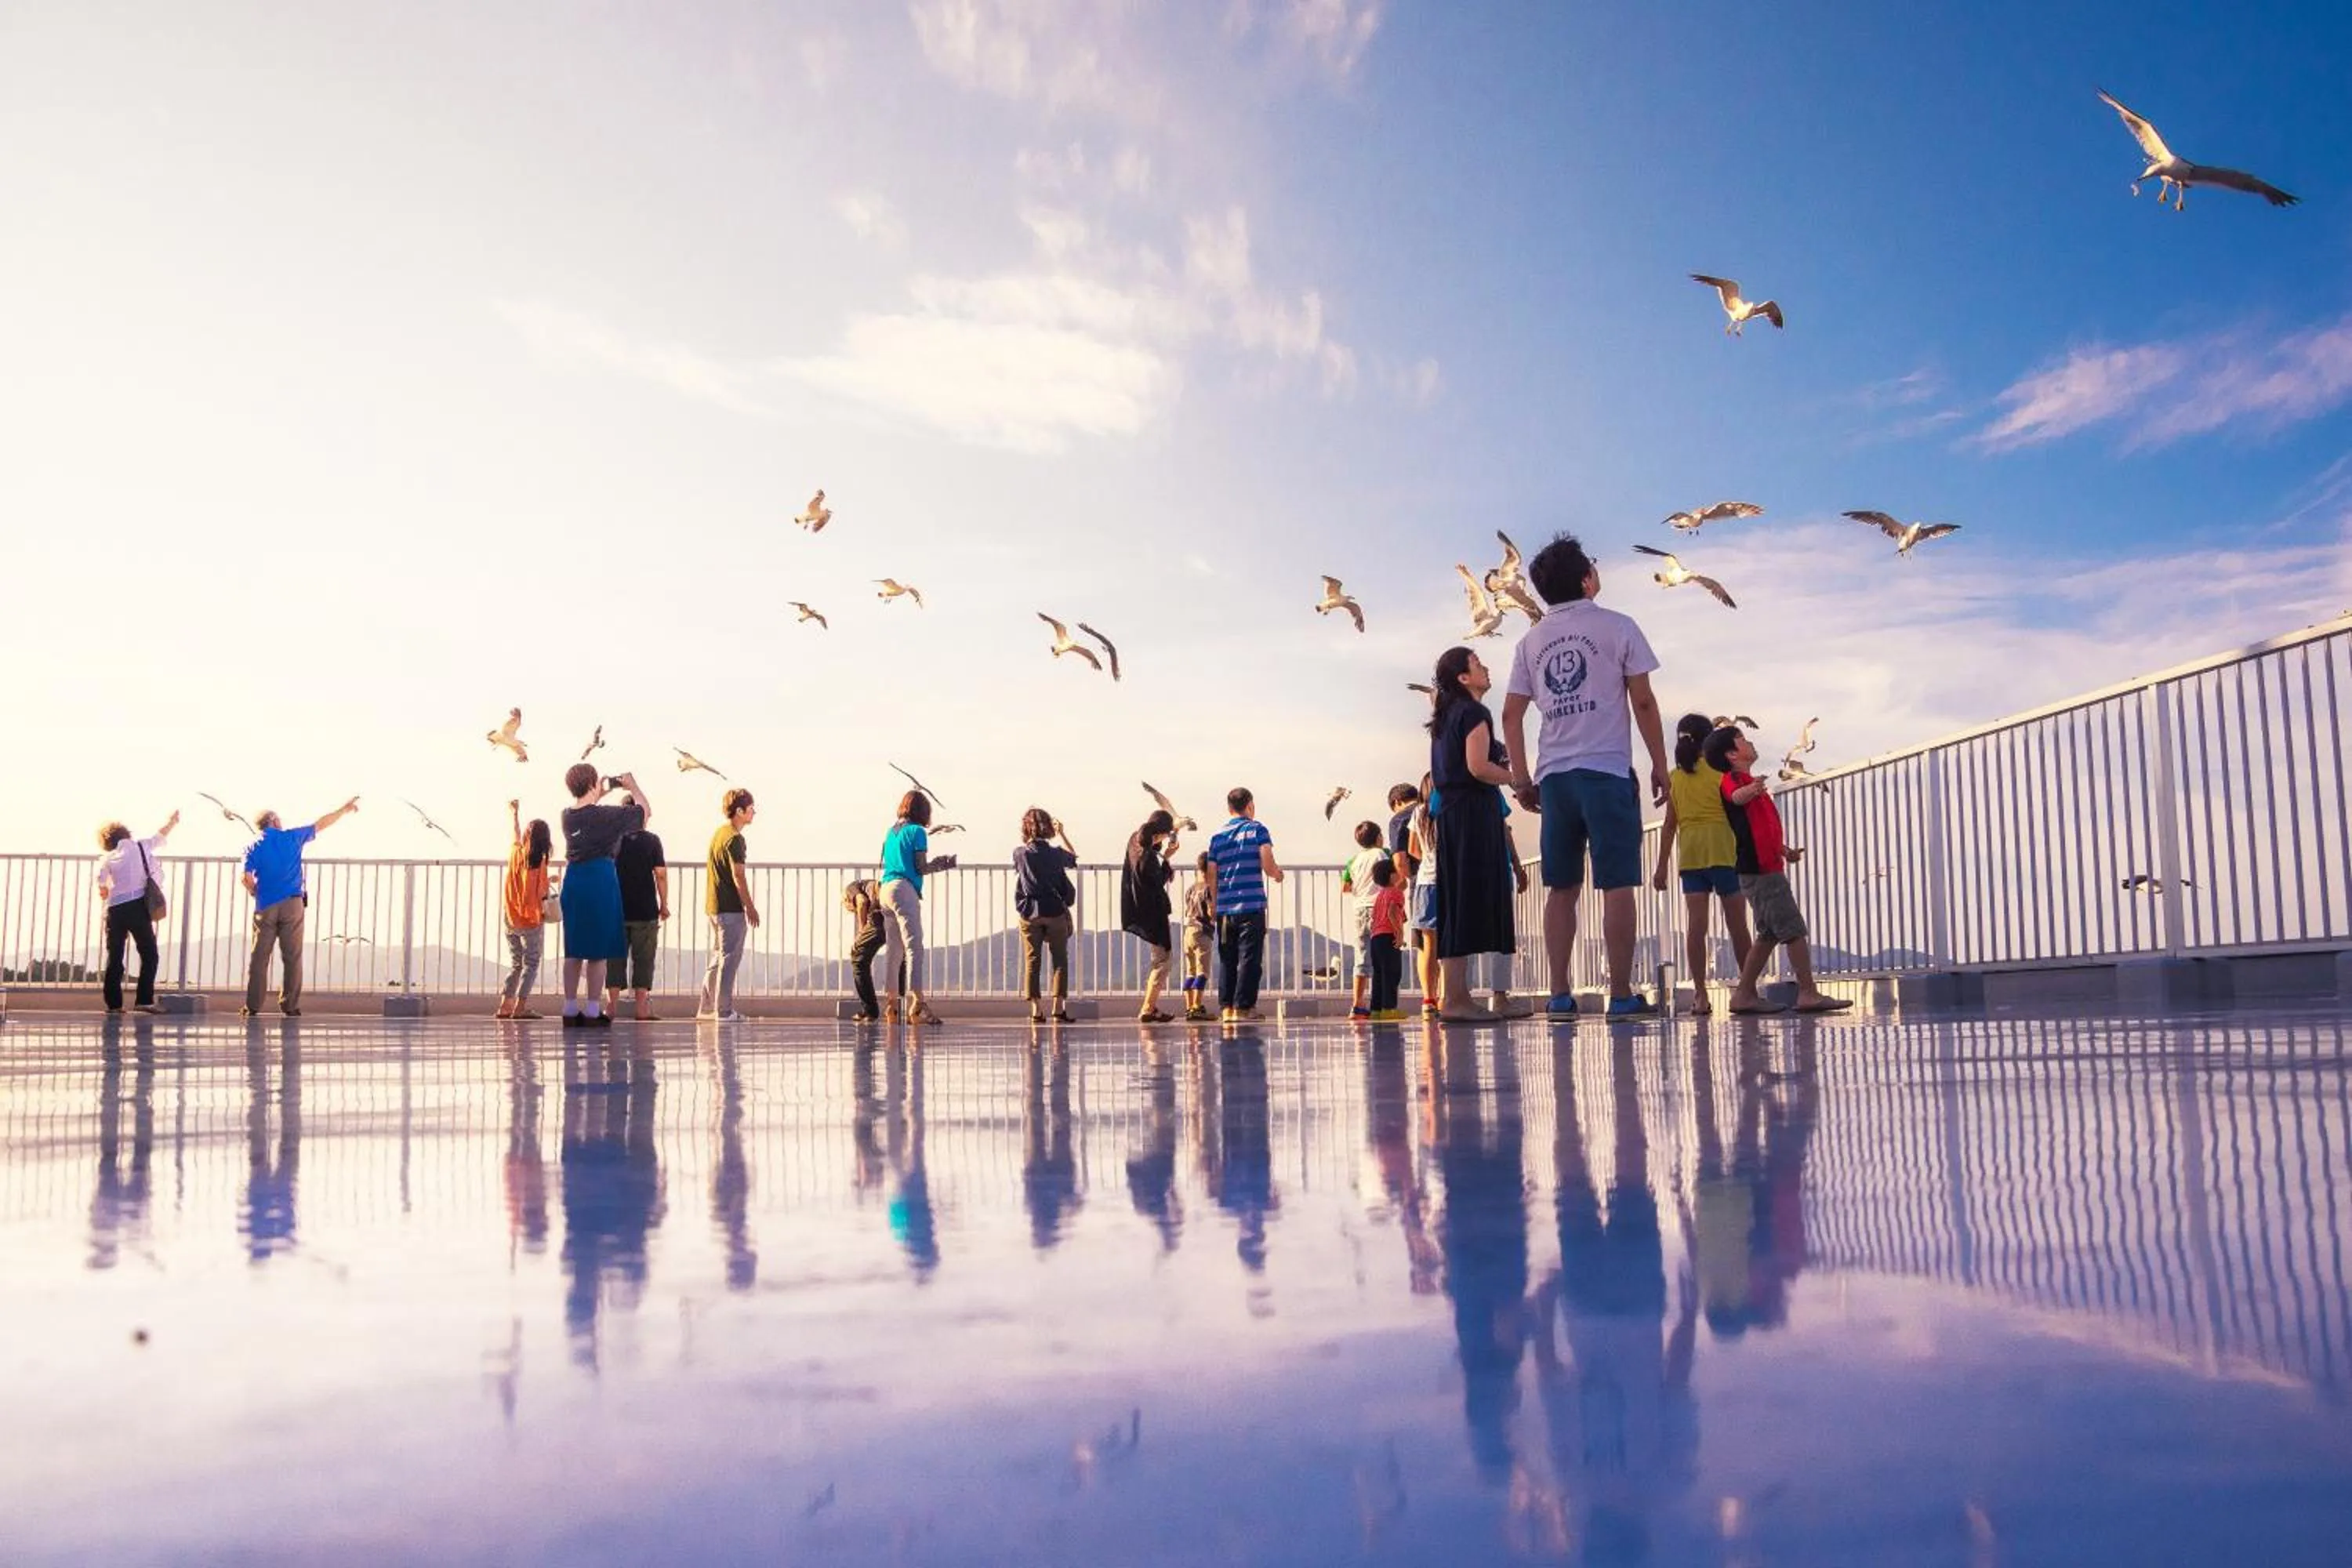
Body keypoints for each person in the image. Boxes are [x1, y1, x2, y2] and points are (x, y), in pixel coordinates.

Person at [1501, 531, 1669, 1020]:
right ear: (1587, 578)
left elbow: (1511, 716)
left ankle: (1559, 994)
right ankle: (1620, 994)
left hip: (1555, 777)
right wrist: (1659, 764)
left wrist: (1521, 778)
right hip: (1606, 770)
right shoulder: (1619, 627)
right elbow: (1642, 700)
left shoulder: (1529, 642)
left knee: (1562, 887)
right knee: (1617, 884)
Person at [1704, 727, 1853, 1014]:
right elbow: (1735, 798)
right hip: (1761, 870)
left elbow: (1762, 829)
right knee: (1793, 929)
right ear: (1733, 754)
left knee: (1769, 934)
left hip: (1762, 865)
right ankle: (1808, 993)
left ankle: (1744, 995)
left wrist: (1785, 850)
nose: (1750, 742)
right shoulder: (1734, 780)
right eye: (1743, 740)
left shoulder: (1750, 783)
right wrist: (1751, 789)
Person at [1427, 646, 1519, 1022]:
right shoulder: (1474, 712)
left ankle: (1455, 996)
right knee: (1470, 897)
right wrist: (1519, 779)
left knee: (1456, 900)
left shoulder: (1445, 717)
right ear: (1464, 678)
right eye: (1477, 663)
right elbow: (1478, 767)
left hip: (1450, 815)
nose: (1485, 667)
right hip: (1472, 813)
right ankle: (1458, 1000)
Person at [1653, 713, 1752, 1016]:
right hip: (1723, 850)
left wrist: (1660, 867)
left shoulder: (1675, 777)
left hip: (1691, 856)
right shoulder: (1720, 772)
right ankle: (1748, 989)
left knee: (1696, 928)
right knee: (1737, 926)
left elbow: (1670, 825)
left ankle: (1700, 995)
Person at [241, 797, 359, 1018]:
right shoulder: (292, 838)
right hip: (292, 904)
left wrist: (255, 892)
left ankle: (253, 1006)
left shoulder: (252, 847)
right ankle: (290, 1006)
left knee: (260, 957)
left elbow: (246, 878)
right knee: (292, 956)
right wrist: (343, 810)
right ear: (273, 820)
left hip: (265, 905)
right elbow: (321, 824)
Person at [558, 764, 649, 1028]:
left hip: (574, 881)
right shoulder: (606, 816)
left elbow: (588, 808)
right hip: (600, 878)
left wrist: (598, 791)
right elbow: (644, 814)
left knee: (574, 949)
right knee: (598, 952)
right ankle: (593, 1009)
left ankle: (570, 1006)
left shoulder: (567, 815)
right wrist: (632, 787)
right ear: (591, 783)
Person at [880, 790, 957, 1026]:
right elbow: (920, 867)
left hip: (885, 889)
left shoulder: (891, 832)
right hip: (904, 890)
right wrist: (942, 864)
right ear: (923, 812)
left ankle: (891, 1006)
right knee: (914, 946)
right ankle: (917, 1004)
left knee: (894, 951)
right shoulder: (917, 832)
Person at [1207, 787, 1283, 1022]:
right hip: (1251, 905)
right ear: (1250, 804)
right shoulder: (1257, 829)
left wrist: (1213, 902)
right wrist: (1277, 874)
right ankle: (1244, 1007)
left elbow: (1212, 872)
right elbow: (1267, 861)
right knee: (1250, 957)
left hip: (1225, 908)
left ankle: (1227, 1008)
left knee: (1228, 959)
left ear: (1229, 808)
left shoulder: (1217, 837)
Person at [93, 811, 179, 1013]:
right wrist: (172, 821)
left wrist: (108, 890)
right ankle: (144, 1001)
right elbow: (161, 835)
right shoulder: (141, 846)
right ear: (126, 834)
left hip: (115, 910)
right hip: (137, 906)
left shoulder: (108, 859)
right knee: (149, 953)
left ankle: (114, 1005)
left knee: (115, 956)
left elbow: (103, 889)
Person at [697, 788, 759, 1022]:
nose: (754, 812)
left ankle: (706, 1008)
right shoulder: (735, 839)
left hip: (713, 906)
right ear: (740, 811)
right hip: (729, 908)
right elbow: (738, 876)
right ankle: (723, 1011)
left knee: (718, 957)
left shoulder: (719, 833)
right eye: (751, 808)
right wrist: (750, 907)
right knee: (729, 959)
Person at [1014, 808, 1080, 1025]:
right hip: (1054, 911)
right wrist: (1062, 834)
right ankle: (1058, 1008)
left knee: (1033, 960)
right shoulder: (1056, 854)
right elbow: (1074, 858)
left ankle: (1036, 1010)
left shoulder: (1019, 853)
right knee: (1060, 959)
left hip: (1030, 913)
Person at [497, 801, 559, 1019]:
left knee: (516, 963)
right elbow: (541, 893)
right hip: (531, 920)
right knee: (531, 963)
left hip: (510, 918)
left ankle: (505, 1005)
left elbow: (515, 834)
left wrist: (515, 814)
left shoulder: (515, 853)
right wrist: (550, 880)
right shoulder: (539, 861)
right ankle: (521, 1007)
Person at [1120, 809, 1180, 1024]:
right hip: (1153, 912)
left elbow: (1150, 850)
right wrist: (1167, 860)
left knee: (1159, 959)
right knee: (1163, 960)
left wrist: (1162, 853)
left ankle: (1151, 1007)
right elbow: (1156, 880)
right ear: (1161, 833)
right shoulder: (1148, 858)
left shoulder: (1135, 842)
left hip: (1139, 909)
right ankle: (1148, 1007)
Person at [608, 818, 670, 1022]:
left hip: (616, 910)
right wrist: (664, 904)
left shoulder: (612, 840)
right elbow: (660, 874)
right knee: (644, 960)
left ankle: (611, 1006)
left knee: (614, 960)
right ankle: (642, 1009)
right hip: (645, 911)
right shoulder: (652, 841)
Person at [1340, 820, 1388, 1020]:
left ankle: (1358, 1005)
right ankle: (1382, 1005)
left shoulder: (1353, 860)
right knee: (1383, 957)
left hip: (1359, 909)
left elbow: (1345, 888)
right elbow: (1389, 878)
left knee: (1362, 957)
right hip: (1378, 908)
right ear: (1378, 838)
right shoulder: (1382, 854)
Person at [1407, 776, 1440, 1014]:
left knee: (1428, 944)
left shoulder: (1418, 812)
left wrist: (1429, 858)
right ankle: (1449, 996)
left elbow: (1412, 849)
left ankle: (1429, 999)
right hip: (1451, 882)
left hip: (1426, 881)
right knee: (1452, 945)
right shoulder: (1450, 806)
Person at [1367, 857, 1407, 1021]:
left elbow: (1375, 917)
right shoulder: (1396, 893)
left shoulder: (1380, 895)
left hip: (1376, 938)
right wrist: (1399, 933)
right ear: (1392, 876)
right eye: (1398, 871)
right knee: (1392, 973)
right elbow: (1392, 913)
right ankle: (1389, 1009)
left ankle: (1375, 1009)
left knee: (1378, 974)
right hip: (1388, 936)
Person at [843, 878, 888, 1022]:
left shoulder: (851, 889)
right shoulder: (871, 885)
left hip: (880, 918)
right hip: (896, 912)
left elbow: (861, 902)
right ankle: (900, 1006)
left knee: (858, 957)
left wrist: (861, 931)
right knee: (900, 959)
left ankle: (870, 1011)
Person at [1181, 852, 1217, 1022]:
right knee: (1203, 972)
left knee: (1190, 972)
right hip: (1203, 932)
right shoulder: (1209, 888)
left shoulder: (1191, 889)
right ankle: (1197, 1007)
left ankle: (1189, 1007)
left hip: (1188, 931)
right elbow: (1211, 911)